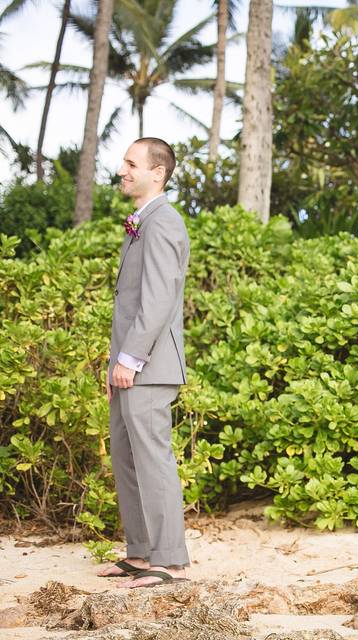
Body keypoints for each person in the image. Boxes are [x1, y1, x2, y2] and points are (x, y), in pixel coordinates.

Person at [96, 137, 191, 588]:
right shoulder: (143, 222)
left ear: (158, 172)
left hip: (149, 367)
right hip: (130, 367)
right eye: (123, 163)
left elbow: (156, 300)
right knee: (127, 457)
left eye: (131, 163)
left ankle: (169, 561)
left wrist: (130, 360)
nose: (122, 170)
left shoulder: (164, 222)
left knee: (152, 459)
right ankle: (140, 552)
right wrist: (116, 364)